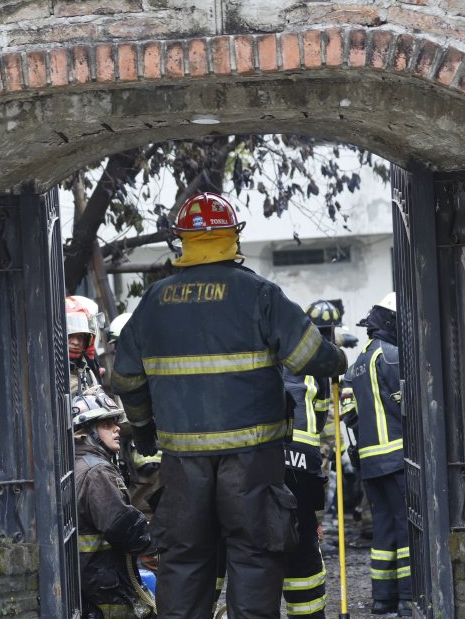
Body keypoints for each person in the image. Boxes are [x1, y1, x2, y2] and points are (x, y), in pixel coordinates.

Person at [111, 192, 348, 619]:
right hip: (253, 460)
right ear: (232, 236)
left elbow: (125, 378)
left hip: (183, 462)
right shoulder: (259, 293)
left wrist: (145, 430)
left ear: (182, 239)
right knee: (255, 555)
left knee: (183, 559)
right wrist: (338, 359)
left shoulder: (154, 301)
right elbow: (310, 355)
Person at [344, 292, 411, 617]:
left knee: (382, 531)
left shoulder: (357, 363)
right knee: (405, 527)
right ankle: (408, 600)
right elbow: (406, 406)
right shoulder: (392, 356)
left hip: (369, 463)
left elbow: (350, 416)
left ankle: (382, 600)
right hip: (397, 458)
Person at [279, 299, 344, 619]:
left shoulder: (255, 353)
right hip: (303, 457)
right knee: (303, 534)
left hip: (256, 458)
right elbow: (320, 417)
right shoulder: (312, 359)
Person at [73, 387, 156, 619]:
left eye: (115, 423)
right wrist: (157, 542)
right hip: (106, 586)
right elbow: (122, 526)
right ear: (86, 431)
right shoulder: (97, 472)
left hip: (91, 580)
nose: (117, 428)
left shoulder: (78, 463)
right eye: (106, 424)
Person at [109, 312, 164, 519]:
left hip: (155, 461)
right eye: (115, 346)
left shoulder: (150, 374)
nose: (118, 352)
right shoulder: (122, 372)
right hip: (132, 461)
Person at [67, 296, 103, 395]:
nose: (76, 342)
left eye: (80, 337)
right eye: (70, 336)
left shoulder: (85, 368)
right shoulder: (48, 369)